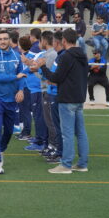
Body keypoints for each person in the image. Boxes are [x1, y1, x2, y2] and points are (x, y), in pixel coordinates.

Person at [33, 28, 89, 174]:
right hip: (79, 99)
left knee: (67, 133)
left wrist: (43, 67)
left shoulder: (66, 56)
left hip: (67, 99)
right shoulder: (83, 54)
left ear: (64, 40)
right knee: (81, 132)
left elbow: (56, 78)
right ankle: (82, 163)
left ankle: (66, 165)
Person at [0, 30, 26, 174]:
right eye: (0, 39)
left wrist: (21, 90)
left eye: (5, 39)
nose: (2, 41)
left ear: (9, 40)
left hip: (11, 100)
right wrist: (15, 77)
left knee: (9, 131)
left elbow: (22, 75)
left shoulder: (17, 56)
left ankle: (1, 150)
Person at [43, 30, 64, 163]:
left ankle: (58, 151)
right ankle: (56, 149)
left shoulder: (60, 56)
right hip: (53, 92)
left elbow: (55, 77)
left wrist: (41, 69)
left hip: (55, 94)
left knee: (55, 125)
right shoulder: (58, 56)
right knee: (52, 123)